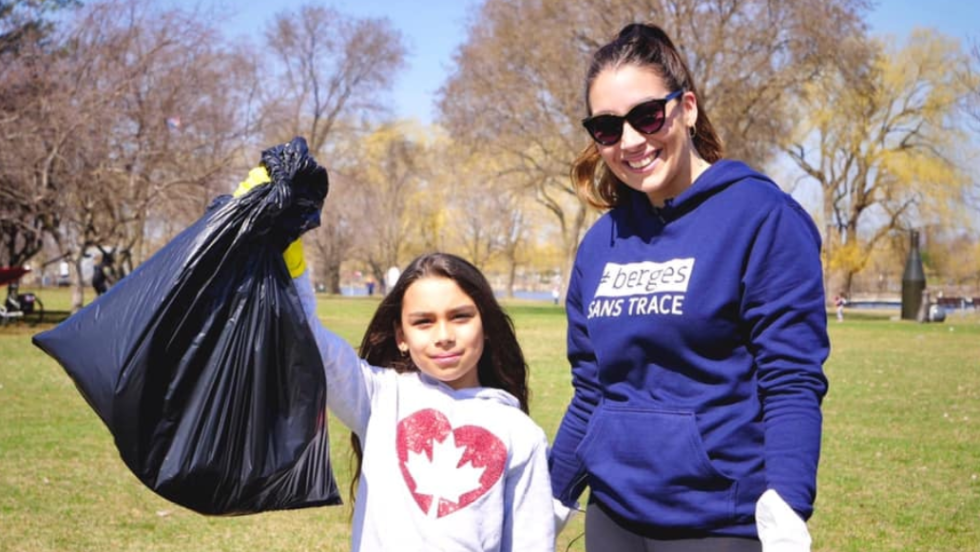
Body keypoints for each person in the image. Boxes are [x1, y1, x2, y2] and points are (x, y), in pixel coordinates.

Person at [548, 23, 830, 552]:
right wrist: (553, 492)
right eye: (607, 127)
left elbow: (790, 379)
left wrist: (789, 502)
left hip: (718, 521)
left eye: (646, 116)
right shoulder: (600, 243)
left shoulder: (761, 218)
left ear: (688, 108)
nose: (631, 141)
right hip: (614, 515)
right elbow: (592, 392)